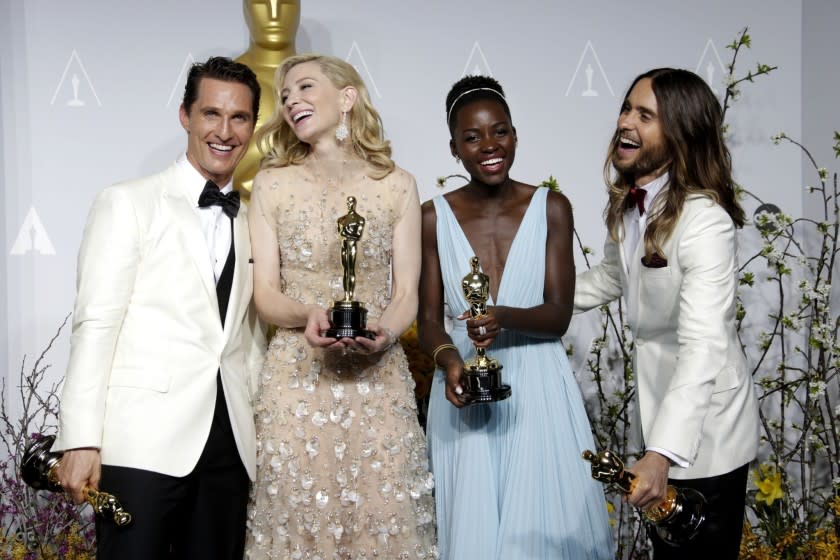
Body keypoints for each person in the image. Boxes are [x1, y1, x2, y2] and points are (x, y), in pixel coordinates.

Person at [53, 57, 267, 559]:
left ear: (253, 126)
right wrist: (80, 438)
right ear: (185, 116)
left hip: (228, 449)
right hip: (141, 444)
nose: (224, 130)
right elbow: (96, 325)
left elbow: (249, 340)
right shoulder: (128, 202)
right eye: (211, 113)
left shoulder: (257, 220)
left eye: (239, 118)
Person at [245, 53, 437, 559]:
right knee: (296, 523)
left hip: (378, 383)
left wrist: (385, 335)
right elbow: (264, 293)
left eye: (306, 88)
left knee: (382, 519)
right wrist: (308, 315)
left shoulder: (397, 184)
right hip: (297, 378)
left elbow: (405, 295)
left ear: (347, 97)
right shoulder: (270, 183)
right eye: (285, 96)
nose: (292, 102)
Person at [418, 75, 612, 559]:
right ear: (453, 148)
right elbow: (427, 320)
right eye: (472, 136)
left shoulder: (552, 208)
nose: (489, 146)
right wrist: (448, 363)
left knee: (548, 532)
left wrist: (501, 316)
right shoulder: (431, 216)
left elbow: (558, 314)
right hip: (464, 391)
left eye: (499, 131)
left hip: (540, 389)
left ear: (515, 134)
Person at [573, 67, 760, 559]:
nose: (625, 123)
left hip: (708, 430)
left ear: (679, 135)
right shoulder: (627, 207)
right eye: (626, 108)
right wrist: (532, 301)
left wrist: (659, 455)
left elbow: (703, 348)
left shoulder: (706, 223)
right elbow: (612, 280)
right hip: (658, 418)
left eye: (645, 115)